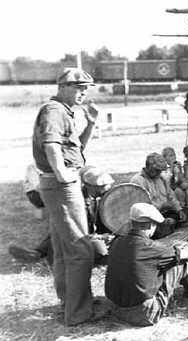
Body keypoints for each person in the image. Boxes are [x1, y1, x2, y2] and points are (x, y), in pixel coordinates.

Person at [31, 67, 107, 326]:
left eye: (85, 88)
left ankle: (69, 304)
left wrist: (92, 123)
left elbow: (77, 150)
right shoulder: (54, 111)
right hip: (62, 185)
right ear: (61, 87)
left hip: (58, 184)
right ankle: (79, 313)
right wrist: (63, 175)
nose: (82, 92)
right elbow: (51, 145)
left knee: (64, 249)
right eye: (76, 87)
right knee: (80, 250)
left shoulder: (65, 112)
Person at [105, 203, 188, 326]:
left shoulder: (116, 243)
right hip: (143, 314)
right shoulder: (152, 248)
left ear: (132, 222)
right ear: (151, 224)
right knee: (179, 263)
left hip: (114, 308)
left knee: (160, 264)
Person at [9, 168, 115, 265]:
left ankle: (38, 253)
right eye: (101, 187)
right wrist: (100, 237)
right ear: (89, 186)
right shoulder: (77, 202)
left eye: (107, 186)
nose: (106, 190)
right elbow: (75, 232)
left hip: (96, 236)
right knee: (97, 248)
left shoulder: (104, 197)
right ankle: (38, 253)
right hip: (80, 238)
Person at [130, 152, 188, 239]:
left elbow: (170, 195)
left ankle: (170, 222)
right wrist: (162, 205)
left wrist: (179, 210)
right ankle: (169, 223)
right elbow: (142, 206)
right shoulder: (138, 180)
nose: (159, 172)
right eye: (157, 170)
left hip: (165, 212)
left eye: (160, 171)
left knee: (187, 212)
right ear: (148, 166)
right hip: (150, 217)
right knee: (157, 231)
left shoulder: (161, 178)